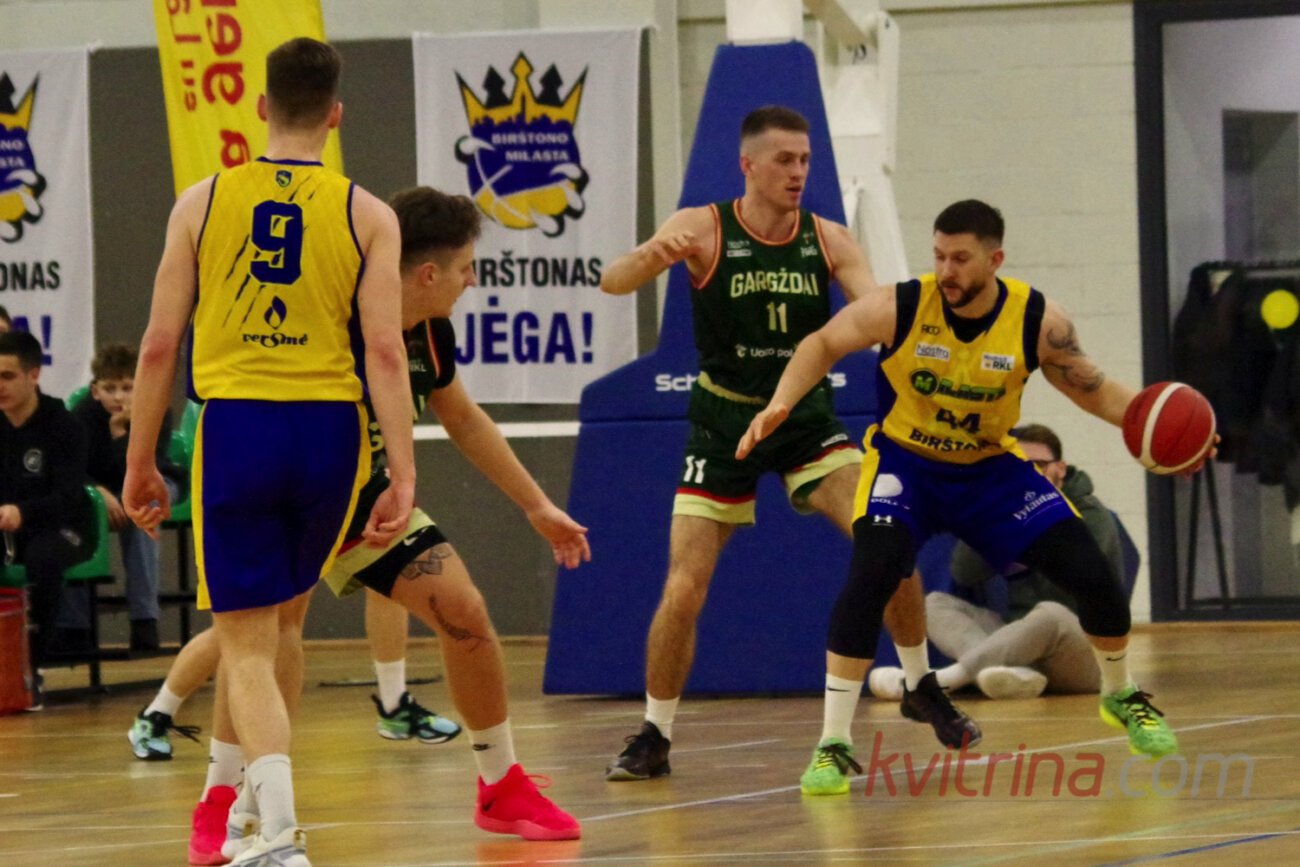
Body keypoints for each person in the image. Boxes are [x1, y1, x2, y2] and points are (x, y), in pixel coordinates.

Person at [140, 186, 586, 865]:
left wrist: (536, 505)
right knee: (265, 638)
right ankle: (222, 800)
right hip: (297, 482)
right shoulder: (330, 316)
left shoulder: (428, 331)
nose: (472, 280)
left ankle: (501, 783)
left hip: (370, 496)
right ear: (427, 272)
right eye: (467, 267)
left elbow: (464, 419)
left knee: (464, 611)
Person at [739, 198, 1184, 795]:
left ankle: (1121, 694)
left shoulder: (1036, 319)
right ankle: (833, 743)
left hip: (989, 471)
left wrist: (1162, 428)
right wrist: (780, 403)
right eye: (939, 256)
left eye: (961, 258)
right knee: (871, 575)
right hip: (905, 466)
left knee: (1092, 573)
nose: (946, 270)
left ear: (994, 260)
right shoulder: (901, 306)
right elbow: (821, 343)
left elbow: (1095, 390)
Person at [598, 105, 976, 788]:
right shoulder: (703, 226)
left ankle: (920, 682)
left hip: (803, 418)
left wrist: (933, 331)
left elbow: (876, 313)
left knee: (887, 533)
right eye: (784, 160)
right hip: (723, 423)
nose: (798, 171)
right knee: (684, 586)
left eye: (804, 160)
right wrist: (651, 256)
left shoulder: (829, 239)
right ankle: (654, 732)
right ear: (748, 165)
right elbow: (612, 280)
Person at [123, 38, 416, 867]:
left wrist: (140, 461)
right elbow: (386, 351)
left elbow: (158, 345)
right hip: (330, 431)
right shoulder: (370, 213)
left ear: (260, 107)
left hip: (240, 427)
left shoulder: (201, 202)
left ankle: (279, 835)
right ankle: (241, 813)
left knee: (245, 642)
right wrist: (403, 469)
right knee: (285, 621)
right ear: (336, 114)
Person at [867, 423, 1122, 701]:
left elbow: (1072, 589)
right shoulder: (1009, 507)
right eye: (1018, 467)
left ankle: (939, 682)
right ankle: (1007, 673)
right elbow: (964, 573)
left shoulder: (1090, 514)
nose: (1029, 475)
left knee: (1051, 614)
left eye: (1037, 465)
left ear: (1060, 468)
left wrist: (1028, 528)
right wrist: (983, 512)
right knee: (934, 604)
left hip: (1078, 646)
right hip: (1016, 639)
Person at [71, 342, 187, 652]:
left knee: (144, 507)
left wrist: (120, 433)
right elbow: (72, 468)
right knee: (73, 506)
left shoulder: (156, 410)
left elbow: (143, 471)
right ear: (95, 391)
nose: (119, 397)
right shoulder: (82, 415)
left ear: (141, 387)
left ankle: (144, 619)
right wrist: (99, 493)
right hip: (104, 488)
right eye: (110, 389)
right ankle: (74, 626)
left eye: (127, 388)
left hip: (155, 481)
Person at [0, 330, 93, 710]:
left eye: (7, 376)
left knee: (44, 559)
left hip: (65, 527)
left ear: (33, 374)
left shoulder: (63, 425)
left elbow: (69, 497)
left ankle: (30, 670)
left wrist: (23, 512)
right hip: (8, 530)